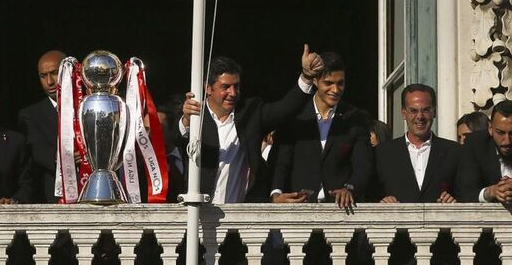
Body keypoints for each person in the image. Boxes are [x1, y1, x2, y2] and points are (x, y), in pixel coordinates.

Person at [178, 45, 323, 204]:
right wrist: (186, 120)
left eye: (236, 86)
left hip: (242, 219)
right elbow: (173, 141)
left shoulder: (250, 111)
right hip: (199, 215)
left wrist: (307, 77)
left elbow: (285, 108)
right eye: (225, 87)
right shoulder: (195, 115)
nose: (233, 93)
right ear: (208, 88)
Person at [268, 51, 371, 207]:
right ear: (315, 81)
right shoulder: (295, 116)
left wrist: (350, 188)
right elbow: (282, 161)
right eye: (328, 83)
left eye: (340, 83)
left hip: (342, 211)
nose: (335, 90)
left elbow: (363, 165)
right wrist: (276, 194)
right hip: (299, 209)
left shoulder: (357, 118)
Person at [377, 84, 459, 203]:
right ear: (403, 113)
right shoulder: (382, 153)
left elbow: (465, 192)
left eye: (426, 110)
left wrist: (454, 201)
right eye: (413, 110)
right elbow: (369, 194)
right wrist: (382, 202)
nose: (420, 116)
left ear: (434, 112)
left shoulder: (454, 152)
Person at [17, 50, 65, 203]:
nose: (49, 82)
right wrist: (66, 158)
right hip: (51, 198)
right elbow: (36, 152)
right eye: (43, 76)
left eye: (54, 73)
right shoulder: (30, 115)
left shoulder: (89, 106)